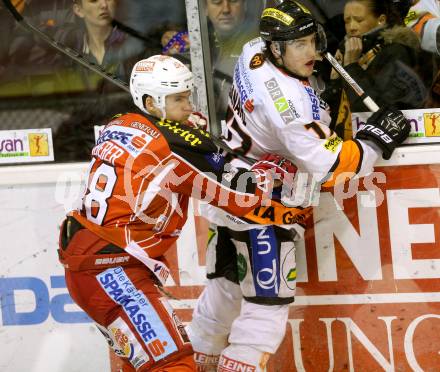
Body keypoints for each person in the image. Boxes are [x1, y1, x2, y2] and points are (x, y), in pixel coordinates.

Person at [187, 1, 411, 371]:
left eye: (314, 40)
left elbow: (298, 87)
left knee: (224, 295)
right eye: (301, 45)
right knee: (264, 314)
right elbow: (332, 168)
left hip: (229, 195)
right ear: (277, 49)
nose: (314, 52)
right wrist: (374, 140)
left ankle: (191, 364)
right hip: (264, 208)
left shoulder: (252, 50)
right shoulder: (288, 108)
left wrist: (316, 62)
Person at [57, 55, 300, 372]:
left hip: (91, 268)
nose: (188, 106)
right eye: (178, 99)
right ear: (150, 102)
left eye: (188, 96)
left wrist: (178, 127)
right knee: (175, 365)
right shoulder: (177, 144)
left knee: (146, 365)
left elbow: (154, 146)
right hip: (114, 273)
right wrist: (272, 174)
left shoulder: (118, 123)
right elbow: (238, 194)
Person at [323, 0, 426, 132]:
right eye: (347, 21)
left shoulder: (397, 53)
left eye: (359, 20)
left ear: (381, 20)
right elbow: (330, 111)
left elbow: (377, 110)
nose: (351, 27)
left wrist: (351, 67)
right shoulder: (348, 51)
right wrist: (336, 80)